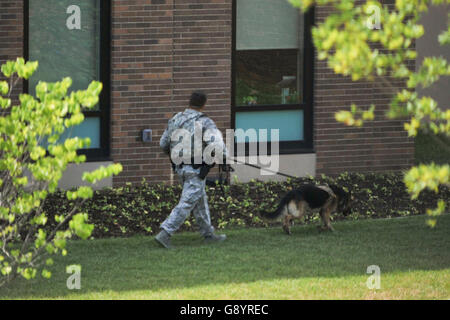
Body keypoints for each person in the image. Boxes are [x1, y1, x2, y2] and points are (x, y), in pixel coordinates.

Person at [155, 92, 228, 249]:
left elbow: (163, 144)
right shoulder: (205, 122)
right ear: (204, 104)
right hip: (196, 169)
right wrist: (225, 158)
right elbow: (219, 146)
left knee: (199, 200)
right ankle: (165, 233)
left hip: (180, 168)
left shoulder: (175, 119)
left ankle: (208, 234)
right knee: (187, 202)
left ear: (189, 102)